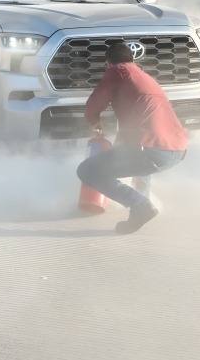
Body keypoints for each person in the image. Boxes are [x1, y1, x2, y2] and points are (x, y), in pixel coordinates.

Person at [77, 42, 188, 234]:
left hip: (150, 150)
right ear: (132, 59)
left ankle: (141, 205)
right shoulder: (144, 78)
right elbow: (140, 123)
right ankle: (144, 202)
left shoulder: (118, 71)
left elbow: (92, 106)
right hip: (176, 151)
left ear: (108, 63)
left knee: (88, 170)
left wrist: (95, 122)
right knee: (139, 159)